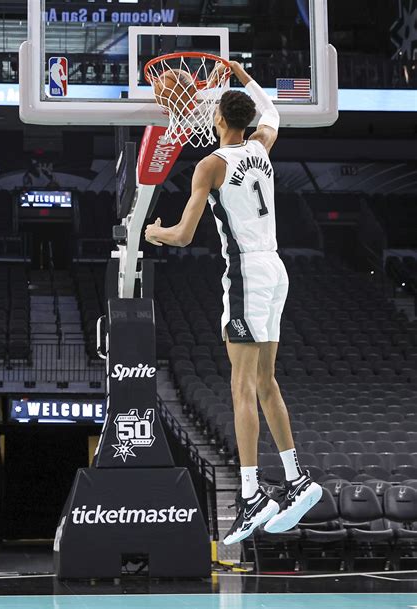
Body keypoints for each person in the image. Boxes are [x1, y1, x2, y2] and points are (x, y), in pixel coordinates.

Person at [145, 61, 322, 545]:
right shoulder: (261, 147)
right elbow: (274, 112)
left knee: (242, 386)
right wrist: (241, 75)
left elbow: (183, 235)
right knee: (266, 382)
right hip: (276, 270)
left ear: (219, 120)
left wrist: (154, 232)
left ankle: (251, 496)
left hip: (246, 272)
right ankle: (295, 480)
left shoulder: (211, 165)